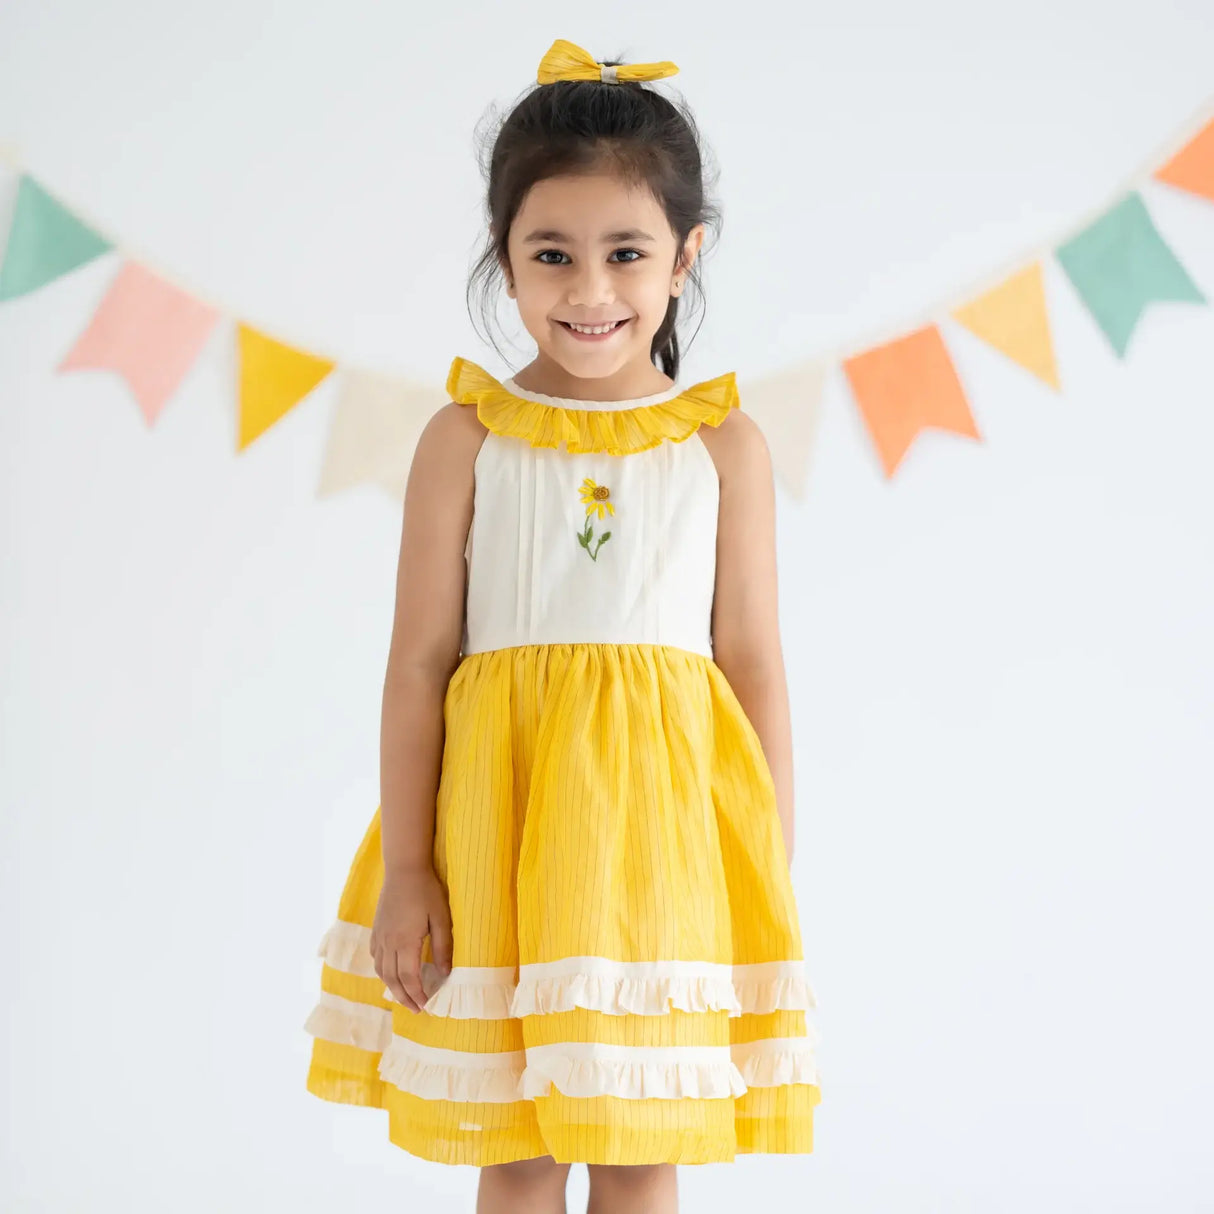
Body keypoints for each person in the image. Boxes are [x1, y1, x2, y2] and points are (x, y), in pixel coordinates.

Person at [303, 37, 821, 1214]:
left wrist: (767, 862)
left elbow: (751, 662)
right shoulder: (467, 438)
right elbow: (418, 664)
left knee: (639, 1139)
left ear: (684, 255)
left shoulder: (722, 445)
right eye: (552, 254)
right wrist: (407, 866)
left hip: (660, 848)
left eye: (624, 252)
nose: (589, 292)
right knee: (518, 1144)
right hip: (495, 829)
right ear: (506, 258)